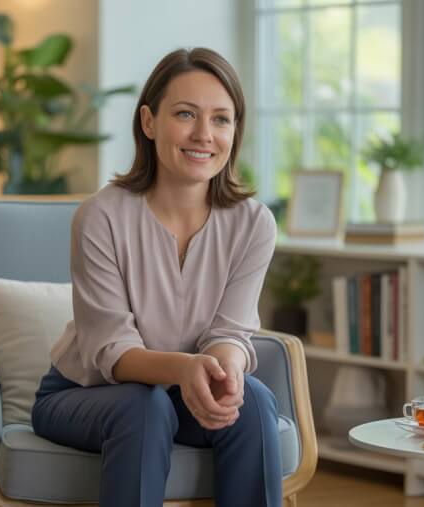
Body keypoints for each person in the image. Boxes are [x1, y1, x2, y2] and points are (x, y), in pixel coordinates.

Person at [31, 47, 281, 507]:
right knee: (142, 407)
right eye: (185, 114)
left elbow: (229, 331)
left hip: (183, 394)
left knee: (254, 403)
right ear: (148, 122)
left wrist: (225, 374)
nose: (204, 135)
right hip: (86, 395)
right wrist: (185, 369)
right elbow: (114, 351)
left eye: (222, 119)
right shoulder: (101, 216)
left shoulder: (254, 223)